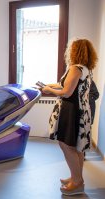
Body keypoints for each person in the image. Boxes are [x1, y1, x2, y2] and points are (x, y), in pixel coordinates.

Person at [42, 38, 98, 195]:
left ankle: (77, 181)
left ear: (75, 51)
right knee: (77, 147)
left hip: (71, 110)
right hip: (80, 110)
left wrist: (49, 90)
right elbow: (68, 86)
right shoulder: (85, 69)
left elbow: (66, 92)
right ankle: (77, 177)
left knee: (67, 145)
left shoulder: (75, 68)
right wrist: (50, 85)